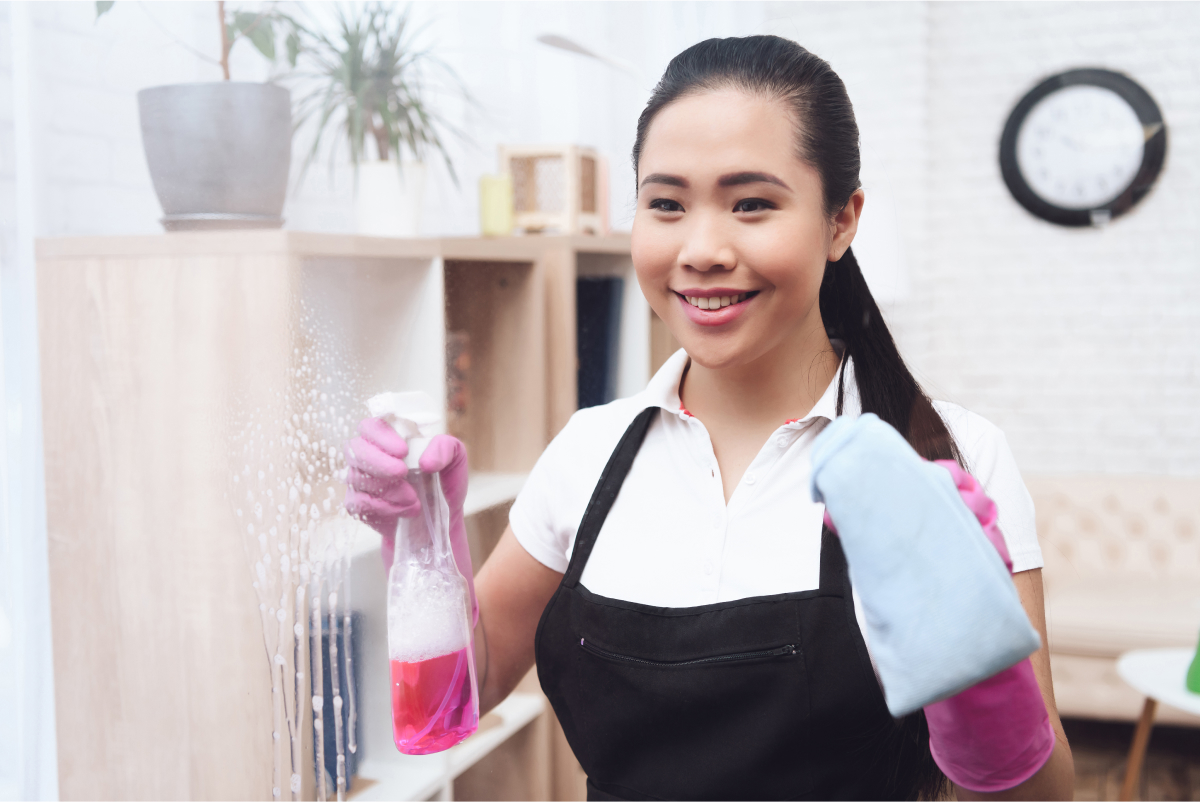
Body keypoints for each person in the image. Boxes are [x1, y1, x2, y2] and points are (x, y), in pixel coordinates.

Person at [347, 35, 1075, 801]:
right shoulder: (588, 455)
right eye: (666, 203)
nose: (700, 249)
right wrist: (421, 541)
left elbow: (1044, 796)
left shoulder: (946, 457)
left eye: (751, 203)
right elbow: (462, 698)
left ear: (840, 221)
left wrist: (979, 680)